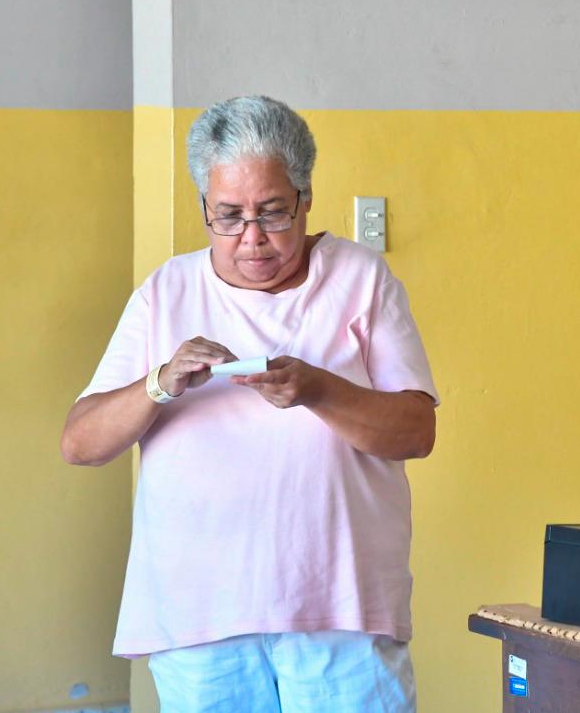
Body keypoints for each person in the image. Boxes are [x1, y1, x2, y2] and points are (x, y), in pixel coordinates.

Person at [61, 95, 437, 712]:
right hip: (198, 620)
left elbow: (416, 432)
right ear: (204, 208)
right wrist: (159, 381)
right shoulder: (166, 291)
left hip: (339, 614)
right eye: (228, 216)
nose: (253, 239)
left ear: (306, 197)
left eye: (272, 213)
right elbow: (80, 443)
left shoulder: (361, 280)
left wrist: (320, 390)